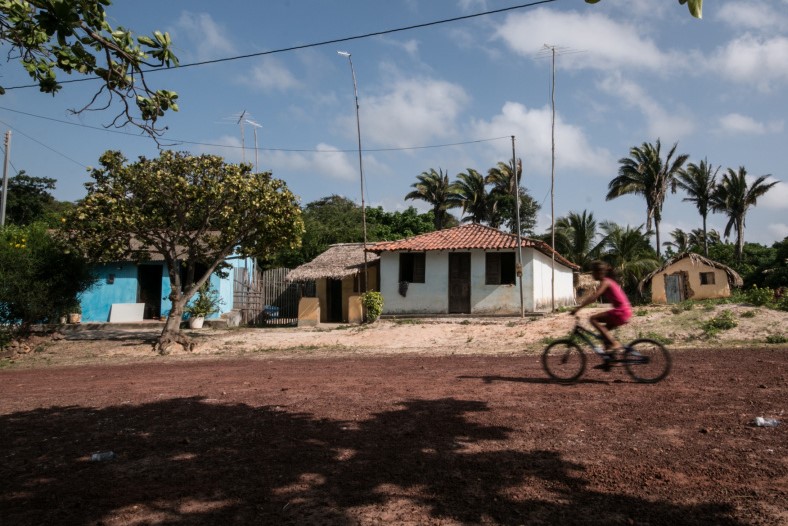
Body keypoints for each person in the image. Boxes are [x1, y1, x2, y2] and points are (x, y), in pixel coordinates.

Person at [571, 261, 632, 362]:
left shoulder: (606, 282)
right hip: (625, 311)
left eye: (593, 272)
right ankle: (609, 359)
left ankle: (615, 344)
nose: (591, 275)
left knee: (592, 319)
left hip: (621, 311)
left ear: (598, 272)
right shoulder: (608, 281)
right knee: (604, 333)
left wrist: (578, 308)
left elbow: (594, 298)